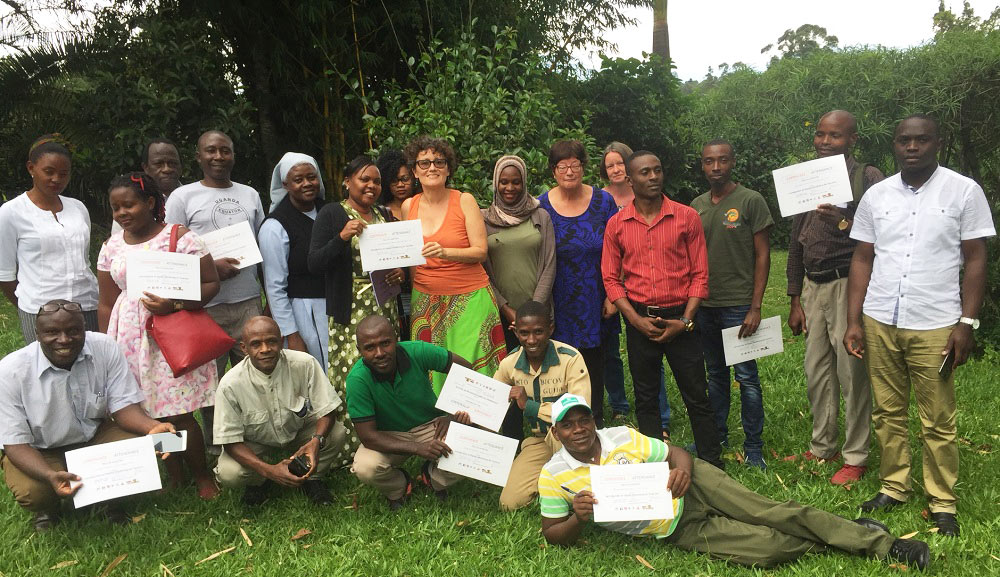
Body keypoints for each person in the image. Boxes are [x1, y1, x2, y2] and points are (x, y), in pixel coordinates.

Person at [537, 393, 932, 570]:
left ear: (592, 419)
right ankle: (840, 534)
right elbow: (553, 532)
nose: (579, 429)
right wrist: (578, 517)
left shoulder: (620, 436)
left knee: (772, 512)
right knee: (767, 549)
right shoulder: (554, 477)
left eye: (584, 419)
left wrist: (684, 471)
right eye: (568, 425)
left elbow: (676, 454)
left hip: (694, 484)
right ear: (556, 432)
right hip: (673, 527)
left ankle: (886, 545)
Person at [844, 115, 995, 537]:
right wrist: (854, 320)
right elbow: (862, 258)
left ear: (938, 143)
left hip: (935, 322)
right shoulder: (877, 195)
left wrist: (966, 321)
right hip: (880, 319)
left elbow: (976, 257)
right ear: (894, 145)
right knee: (887, 411)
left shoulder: (963, 191)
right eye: (904, 140)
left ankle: (942, 501)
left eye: (922, 140)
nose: (912, 147)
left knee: (937, 418)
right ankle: (894, 486)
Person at [0, 301, 177, 531]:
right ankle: (48, 509)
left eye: (73, 331)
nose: (64, 339)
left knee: (141, 449)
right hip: (40, 449)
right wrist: (49, 475)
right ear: (37, 334)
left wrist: (152, 427)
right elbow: (15, 445)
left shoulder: (104, 347)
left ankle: (108, 501)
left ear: (85, 328)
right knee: (34, 492)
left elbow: (123, 407)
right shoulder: (9, 371)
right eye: (52, 332)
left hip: (93, 438)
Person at [96, 172, 221, 499]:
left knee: (179, 411)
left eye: (129, 205)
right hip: (129, 339)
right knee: (151, 412)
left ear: (150, 202)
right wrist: (105, 348)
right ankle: (175, 473)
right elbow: (107, 301)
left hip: (170, 334)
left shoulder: (181, 238)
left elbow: (211, 283)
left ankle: (202, 475)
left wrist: (175, 304)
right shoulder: (111, 247)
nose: (122, 213)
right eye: (115, 208)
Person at [602, 151, 724, 469]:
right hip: (639, 317)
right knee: (646, 398)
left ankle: (712, 462)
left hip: (680, 316)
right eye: (644, 172)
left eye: (658, 170)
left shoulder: (685, 217)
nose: (653, 177)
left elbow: (700, 275)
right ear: (630, 180)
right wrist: (635, 320)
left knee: (696, 392)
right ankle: (655, 465)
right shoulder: (616, 225)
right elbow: (611, 279)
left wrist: (684, 321)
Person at [785, 110, 885, 485]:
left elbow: (877, 237)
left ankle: (856, 455)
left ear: (852, 140)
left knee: (851, 374)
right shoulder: (806, 178)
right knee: (817, 371)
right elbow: (796, 242)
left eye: (835, 136)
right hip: (814, 286)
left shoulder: (867, 178)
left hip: (849, 285)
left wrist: (841, 222)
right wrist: (795, 297)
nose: (825, 142)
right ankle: (822, 446)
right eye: (821, 135)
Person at [164, 130, 265, 448]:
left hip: (248, 299)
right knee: (211, 381)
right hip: (205, 306)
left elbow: (263, 245)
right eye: (211, 151)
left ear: (233, 155)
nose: (218, 156)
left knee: (253, 373)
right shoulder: (183, 198)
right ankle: (215, 443)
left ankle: (257, 436)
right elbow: (170, 252)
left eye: (225, 150)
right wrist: (210, 269)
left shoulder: (250, 195)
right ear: (198, 156)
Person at [308, 155, 403, 467]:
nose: (372, 186)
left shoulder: (385, 215)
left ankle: (389, 441)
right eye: (365, 179)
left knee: (386, 371)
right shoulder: (332, 214)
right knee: (353, 376)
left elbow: (401, 259)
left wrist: (400, 274)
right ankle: (349, 450)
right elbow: (314, 263)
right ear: (347, 182)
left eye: (376, 181)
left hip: (384, 305)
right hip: (350, 309)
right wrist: (341, 237)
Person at [691, 140, 773, 469]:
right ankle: (718, 436)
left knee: (747, 378)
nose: (716, 167)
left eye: (722, 160)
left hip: (739, 305)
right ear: (702, 166)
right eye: (709, 161)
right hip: (706, 305)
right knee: (715, 376)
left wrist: (755, 306)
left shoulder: (750, 201)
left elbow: (764, 255)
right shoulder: (696, 205)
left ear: (733, 162)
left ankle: (754, 447)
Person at [402, 136, 506, 393]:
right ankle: (440, 430)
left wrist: (446, 252)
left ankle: (484, 430)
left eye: (439, 161)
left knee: (476, 370)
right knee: (433, 368)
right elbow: (411, 260)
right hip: (426, 301)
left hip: (470, 299)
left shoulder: (464, 200)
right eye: (424, 163)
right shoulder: (408, 206)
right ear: (415, 171)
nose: (432, 168)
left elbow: (481, 251)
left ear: (448, 169)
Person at [213, 317, 346, 506]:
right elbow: (230, 442)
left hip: (298, 433)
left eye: (272, 341)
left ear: (281, 340)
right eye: (256, 344)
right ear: (244, 348)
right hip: (255, 443)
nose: (265, 349)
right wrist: (269, 471)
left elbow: (327, 410)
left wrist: (316, 441)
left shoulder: (305, 364)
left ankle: (312, 478)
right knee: (229, 472)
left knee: (337, 433)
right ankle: (258, 482)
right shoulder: (230, 385)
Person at [347, 315, 473, 510]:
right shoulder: (357, 380)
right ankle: (399, 486)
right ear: (359, 350)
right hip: (388, 434)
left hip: (432, 424)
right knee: (365, 467)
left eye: (385, 343)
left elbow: (467, 370)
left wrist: (451, 415)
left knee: (472, 449)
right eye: (370, 347)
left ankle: (432, 478)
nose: (379, 353)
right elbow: (368, 437)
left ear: (396, 339)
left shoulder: (418, 351)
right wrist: (416, 448)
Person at [539, 139, 618, 428]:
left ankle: (594, 419)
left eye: (575, 164)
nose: (569, 171)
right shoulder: (541, 206)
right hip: (559, 297)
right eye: (562, 166)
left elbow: (617, 248)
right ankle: (563, 421)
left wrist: (613, 295)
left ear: (584, 167)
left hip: (596, 295)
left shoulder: (603, 202)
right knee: (560, 361)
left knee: (594, 361)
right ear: (553, 170)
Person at [599, 142, 672, 437]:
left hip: (645, 288)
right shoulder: (601, 199)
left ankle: (662, 417)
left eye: (620, 164)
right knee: (612, 353)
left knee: (653, 351)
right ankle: (619, 405)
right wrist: (611, 294)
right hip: (611, 286)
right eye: (610, 166)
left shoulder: (648, 196)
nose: (616, 170)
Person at [0, 135, 99, 342]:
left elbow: (84, 260)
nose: (56, 179)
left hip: (86, 305)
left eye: (64, 174)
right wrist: (30, 306)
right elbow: (5, 275)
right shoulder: (11, 212)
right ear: (31, 168)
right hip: (41, 311)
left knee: (91, 368)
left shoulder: (78, 208)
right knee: (47, 371)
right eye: (49, 172)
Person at [493, 300, 590, 511]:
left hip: (575, 438)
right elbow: (490, 402)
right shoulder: (509, 364)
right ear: (515, 332)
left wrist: (530, 406)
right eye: (524, 333)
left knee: (584, 494)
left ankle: (564, 479)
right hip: (540, 441)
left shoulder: (570, 359)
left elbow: (579, 412)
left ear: (550, 329)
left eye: (538, 332)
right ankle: (550, 477)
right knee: (509, 503)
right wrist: (468, 416)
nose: (531, 340)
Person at [260, 152, 328, 369]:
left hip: (336, 307)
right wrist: (292, 334)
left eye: (312, 177)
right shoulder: (275, 226)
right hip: (304, 312)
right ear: (285, 184)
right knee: (314, 372)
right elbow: (275, 288)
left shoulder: (330, 211)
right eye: (298, 180)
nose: (307, 184)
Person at [482, 155, 556, 350]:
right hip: (500, 314)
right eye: (503, 182)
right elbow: (482, 273)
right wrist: (506, 309)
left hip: (538, 316)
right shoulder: (483, 220)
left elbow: (549, 265)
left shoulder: (540, 216)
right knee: (505, 374)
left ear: (524, 183)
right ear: (495, 183)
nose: (510, 188)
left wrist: (533, 312)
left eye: (516, 182)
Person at [375, 149, 417, 335]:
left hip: (426, 282)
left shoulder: (424, 205)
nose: (400, 185)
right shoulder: (380, 213)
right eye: (394, 180)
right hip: (393, 290)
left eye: (405, 179)